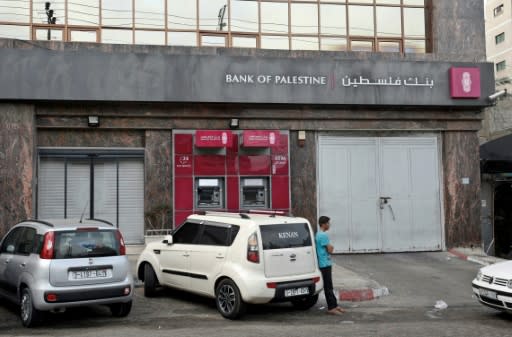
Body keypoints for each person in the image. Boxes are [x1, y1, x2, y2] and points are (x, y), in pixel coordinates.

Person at [316, 215, 345, 315]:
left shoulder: (319, 234)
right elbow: (330, 250)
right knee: (328, 287)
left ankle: (335, 305)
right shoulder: (323, 235)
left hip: (325, 263)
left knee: (329, 286)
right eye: (328, 223)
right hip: (325, 264)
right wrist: (331, 247)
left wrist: (330, 247)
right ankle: (331, 307)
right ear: (323, 224)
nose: (329, 225)